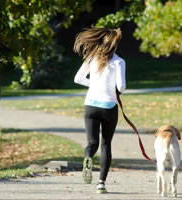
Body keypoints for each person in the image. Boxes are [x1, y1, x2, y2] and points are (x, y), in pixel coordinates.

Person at [73, 27, 126, 194]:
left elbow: (78, 79)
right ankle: (101, 184)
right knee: (106, 144)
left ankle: (88, 157)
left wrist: (95, 85)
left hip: (90, 106)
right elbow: (121, 86)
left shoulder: (91, 58)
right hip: (109, 107)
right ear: (115, 45)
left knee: (92, 143)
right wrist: (112, 88)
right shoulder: (119, 62)